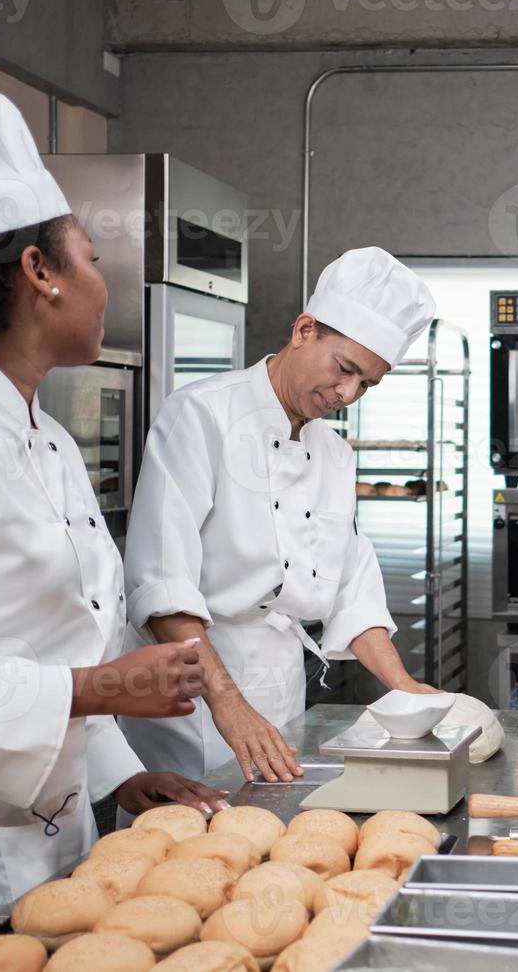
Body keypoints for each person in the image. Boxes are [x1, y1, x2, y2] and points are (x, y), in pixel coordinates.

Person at [0, 89, 225, 970]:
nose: (105, 282)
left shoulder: (45, 435)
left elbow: (43, 645)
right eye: (94, 257)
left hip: (53, 853)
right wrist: (98, 692)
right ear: (40, 271)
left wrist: (117, 773)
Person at [120, 248, 442, 785]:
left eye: (367, 385)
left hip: (282, 683)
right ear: (304, 329)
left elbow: (352, 591)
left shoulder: (335, 454)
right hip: (194, 684)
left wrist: (404, 688)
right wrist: (229, 707)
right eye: (345, 369)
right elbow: (161, 582)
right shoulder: (203, 415)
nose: (348, 394)